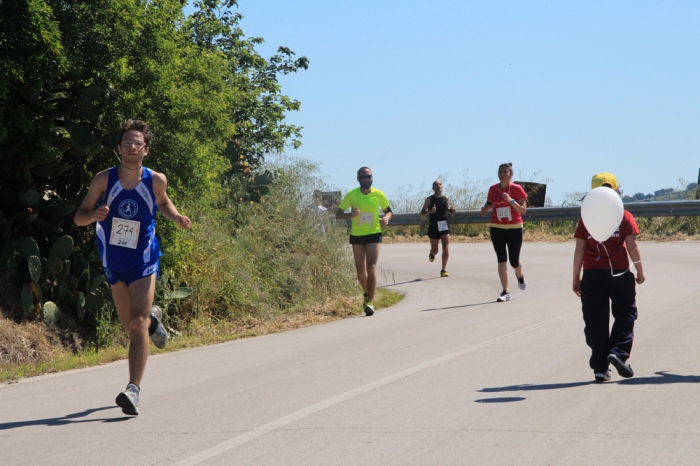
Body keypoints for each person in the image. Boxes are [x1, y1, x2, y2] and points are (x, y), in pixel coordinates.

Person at [74, 119, 192, 415]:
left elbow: (163, 203)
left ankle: (133, 390)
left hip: (143, 258)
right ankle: (154, 321)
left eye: (136, 144)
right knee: (132, 327)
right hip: (114, 260)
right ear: (119, 148)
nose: (131, 148)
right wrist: (95, 216)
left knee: (136, 324)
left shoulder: (155, 180)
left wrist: (176, 216)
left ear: (145, 150)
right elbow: (79, 216)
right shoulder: (103, 179)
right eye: (126, 143)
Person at [572, 173, 645, 382]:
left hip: (592, 275)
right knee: (626, 314)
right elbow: (631, 245)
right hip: (620, 274)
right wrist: (640, 270)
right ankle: (618, 352)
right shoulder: (624, 216)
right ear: (616, 191)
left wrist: (576, 277)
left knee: (595, 321)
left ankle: (600, 367)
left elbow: (579, 250)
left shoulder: (586, 218)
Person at [335, 167, 393, 316]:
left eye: (368, 176)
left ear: (372, 178)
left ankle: (370, 302)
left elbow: (388, 210)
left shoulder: (378, 194)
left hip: (374, 233)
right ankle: (367, 293)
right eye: (363, 177)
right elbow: (338, 215)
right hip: (357, 235)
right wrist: (350, 215)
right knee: (360, 271)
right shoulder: (352, 195)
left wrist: (386, 218)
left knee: (371, 266)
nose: (366, 179)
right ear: (358, 179)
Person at [480, 162, 528, 302]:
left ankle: (519, 275)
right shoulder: (493, 189)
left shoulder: (517, 189)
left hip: (514, 228)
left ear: (510, 175)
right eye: (500, 172)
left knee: (514, 261)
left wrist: (511, 201)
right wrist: (485, 209)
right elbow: (489, 204)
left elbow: (523, 210)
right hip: (497, 227)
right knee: (501, 260)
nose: (502, 174)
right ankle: (506, 291)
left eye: (505, 172)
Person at [420, 180, 456, 277]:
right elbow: (422, 213)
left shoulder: (446, 198)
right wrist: (430, 211)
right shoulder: (429, 200)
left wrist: (451, 210)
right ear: (433, 188)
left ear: (442, 186)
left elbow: (446, 209)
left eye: (440, 184)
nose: (438, 186)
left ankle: (443, 269)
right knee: (435, 250)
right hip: (433, 226)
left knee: (446, 246)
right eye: (436, 185)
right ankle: (432, 254)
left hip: (443, 224)